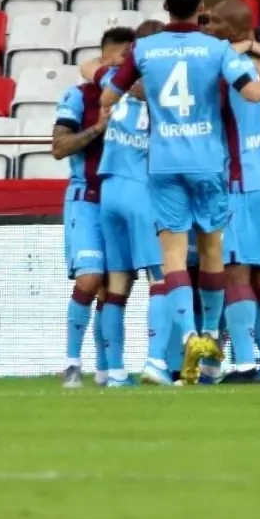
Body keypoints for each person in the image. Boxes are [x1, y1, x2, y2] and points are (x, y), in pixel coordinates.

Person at [99, 0, 260, 386]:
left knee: (172, 256)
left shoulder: (144, 49)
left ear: (165, 4)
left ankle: (189, 336)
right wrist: (250, 58)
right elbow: (252, 93)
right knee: (212, 249)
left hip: (163, 163)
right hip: (207, 160)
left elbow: (108, 97)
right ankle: (210, 338)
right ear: (201, 9)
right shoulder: (215, 49)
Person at [206, 0, 260, 385]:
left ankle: (242, 364)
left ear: (231, 29)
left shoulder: (225, 69)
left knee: (234, 271)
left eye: (214, 23)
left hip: (240, 180)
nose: (207, 28)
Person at [53, 27, 133, 388]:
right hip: (86, 198)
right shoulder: (79, 96)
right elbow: (59, 146)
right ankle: (71, 362)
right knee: (90, 277)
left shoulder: (140, 100)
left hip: (123, 199)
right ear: (104, 61)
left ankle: (107, 369)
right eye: (123, 59)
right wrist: (99, 129)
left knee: (115, 286)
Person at [96, 20, 164, 388]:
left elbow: (94, 69)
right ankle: (156, 363)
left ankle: (115, 372)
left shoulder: (114, 86)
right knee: (161, 279)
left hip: (110, 190)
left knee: (117, 282)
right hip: (141, 191)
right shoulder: (161, 97)